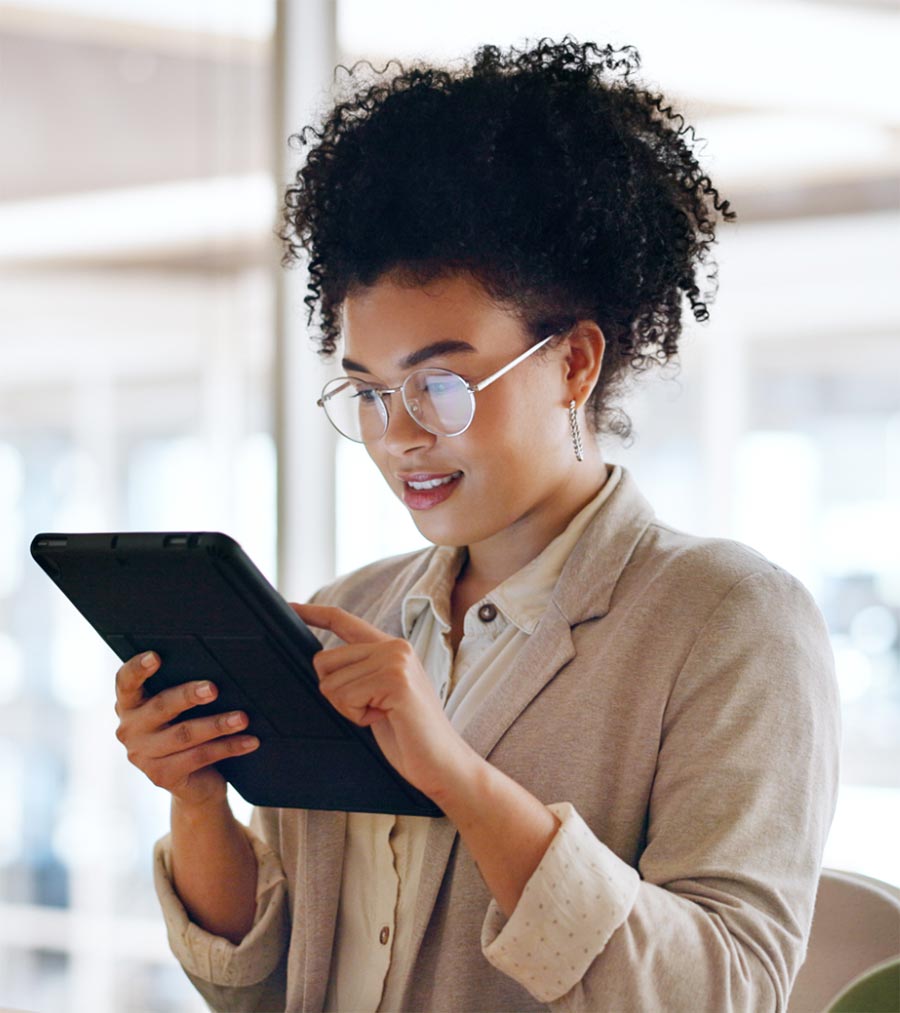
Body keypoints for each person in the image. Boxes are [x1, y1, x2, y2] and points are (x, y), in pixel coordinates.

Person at [114, 39, 840, 1012]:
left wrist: (457, 775)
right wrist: (198, 796)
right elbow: (276, 982)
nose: (399, 436)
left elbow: (727, 989)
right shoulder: (352, 612)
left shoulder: (729, 620)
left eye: (442, 385)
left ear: (576, 362)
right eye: (368, 392)